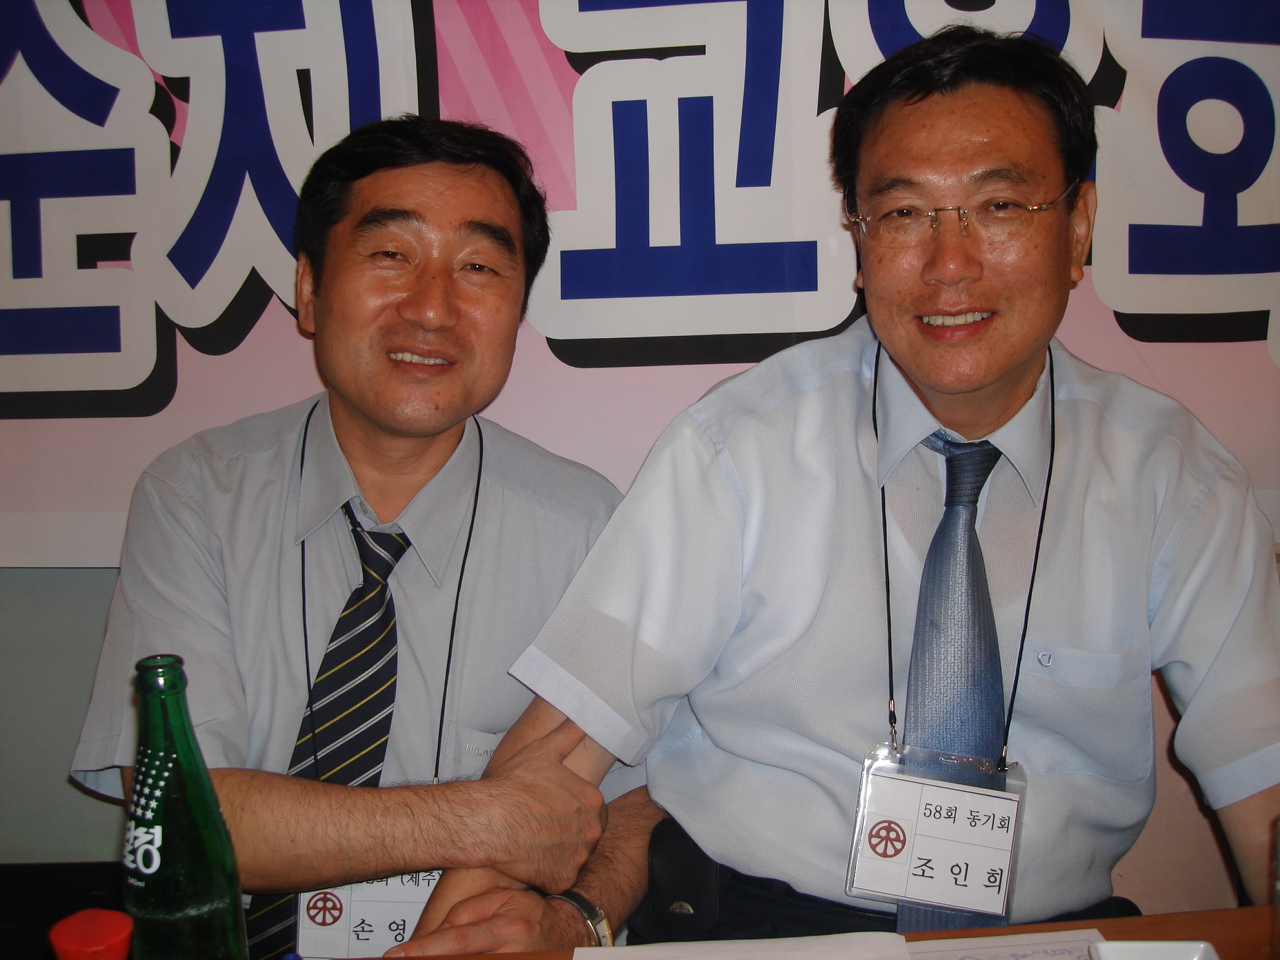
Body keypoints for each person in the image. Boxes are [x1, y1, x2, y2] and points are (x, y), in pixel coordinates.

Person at [397, 25, 1280, 951]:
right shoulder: (740, 448)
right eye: (903, 214)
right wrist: (457, 933)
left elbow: (1264, 787)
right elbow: (561, 746)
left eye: (999, 206)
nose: (950, 264)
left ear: (1079, 224)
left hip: (1047, 938)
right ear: (859, 236)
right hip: (758, 928)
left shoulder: (1172, 477)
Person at [70, 116, 642, 958]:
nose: (433, 307)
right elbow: (181, 815)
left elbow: (637, 799)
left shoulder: (590, 524)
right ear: (309, 291)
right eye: (391, 254)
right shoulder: (197, 496)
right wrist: (483, 817)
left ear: (518, 308)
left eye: (479, 267)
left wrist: (576, 923)